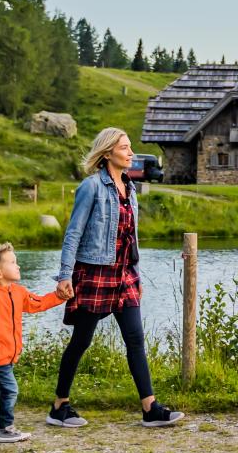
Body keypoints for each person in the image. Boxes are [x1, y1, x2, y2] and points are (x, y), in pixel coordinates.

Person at [49, 127, 184, 429]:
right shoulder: (92, 186)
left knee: (135, 339)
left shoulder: (130, 189)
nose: (131, 152)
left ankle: (150, 408)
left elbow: (129, 238)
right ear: (108, 152)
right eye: (125, 147)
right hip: (95, 273)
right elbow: (73, 233)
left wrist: (135, 274)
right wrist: (64, 276)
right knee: (81, 341)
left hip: (124, 276)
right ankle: (59, 404)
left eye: (130, 146)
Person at [0, 243, 72, 443]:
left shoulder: (19, 292)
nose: (18, 266)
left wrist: (59, 296)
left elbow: (39, 303)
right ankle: (5, 428)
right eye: (13, 262)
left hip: (9, 352)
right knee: (10, 389)